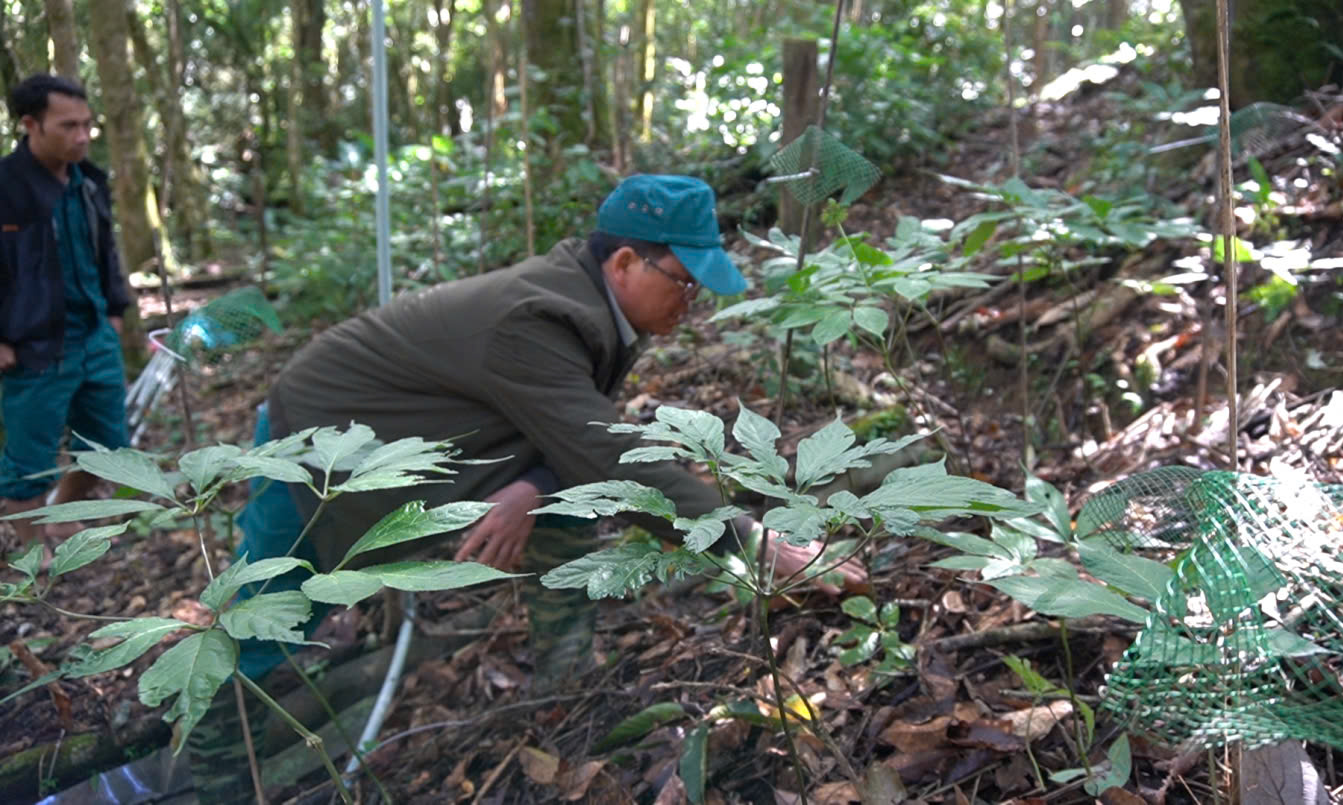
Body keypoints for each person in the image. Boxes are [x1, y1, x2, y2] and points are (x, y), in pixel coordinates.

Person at [187, 174, 865, 801]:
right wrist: (750, 538)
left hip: (415, 437)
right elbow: (607, 451)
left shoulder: (597, 305)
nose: (692, 303)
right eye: (685, 283)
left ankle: (566, 685)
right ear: (625, 262)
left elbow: (570, 432)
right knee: (271, 615)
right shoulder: (539, 317)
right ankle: (210, 769)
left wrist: (534, 485)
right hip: (315, 433)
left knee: (566, 505)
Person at [0, 74, 130, 550]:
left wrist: (115, 310)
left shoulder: (89, 181)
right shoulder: (7, 187)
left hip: (95, 334)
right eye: (69, 126)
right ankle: (35, 563)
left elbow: (105, 252)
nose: (82, 137)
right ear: (31, 125)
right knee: (27, 464)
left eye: (87, 125)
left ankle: (58, 516)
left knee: (109, 448)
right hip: (34, 345)